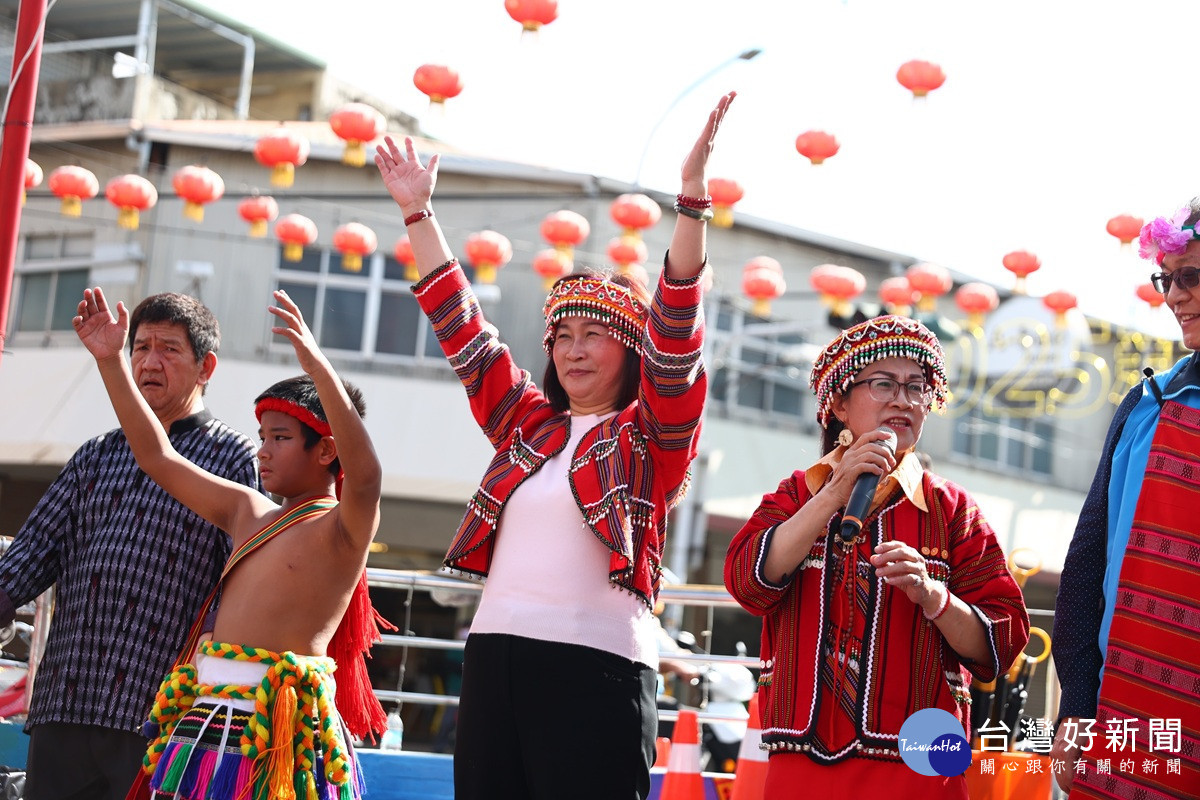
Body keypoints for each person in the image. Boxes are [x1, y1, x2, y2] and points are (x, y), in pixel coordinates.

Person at [373, 91, 735, 800]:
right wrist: (418, 213)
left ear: (630, 351)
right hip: (494, 660)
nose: (574, 350)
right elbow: (463, 330)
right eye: (562, 336)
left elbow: (676, 338)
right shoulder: (526, 423)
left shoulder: (651, 437)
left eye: (593, 334)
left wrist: (691, 200)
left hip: (597, 668)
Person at [72, 286, 387, 799]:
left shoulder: (343, 528)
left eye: (280, 438)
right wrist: (110, 360)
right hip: (205, 719)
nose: (262, 452)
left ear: (327, 449)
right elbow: (156, 457)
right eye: (261, 436)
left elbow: (367, 474)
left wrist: (317, 368)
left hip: (282, 733)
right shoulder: (248, 511)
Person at [724, 315, 1030, 799]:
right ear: (841, 405)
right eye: (883, 383)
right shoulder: (796, 494)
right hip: (803, 751)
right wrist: (832, 494)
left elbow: (1003, 638)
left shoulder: (952, 512)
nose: (903, 400)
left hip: (924, 752)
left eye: (917, 388)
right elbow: (747, 580)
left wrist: (934, 596)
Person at [0, 293, 259, 800]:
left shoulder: (235, 458)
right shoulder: (95, 455)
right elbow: (27, 558)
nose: (148, 361)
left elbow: (242, 582)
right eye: (140, 347)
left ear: (206, 366)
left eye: (168, 349)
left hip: (161, 712)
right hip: (67, 697)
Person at [1050, 200, 1200, 797]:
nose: (1175, 296)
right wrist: (1077, 708)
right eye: (1168, 279)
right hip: (1128, 718)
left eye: (1192, 277)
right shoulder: (1148, 405)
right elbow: (1087, 565)